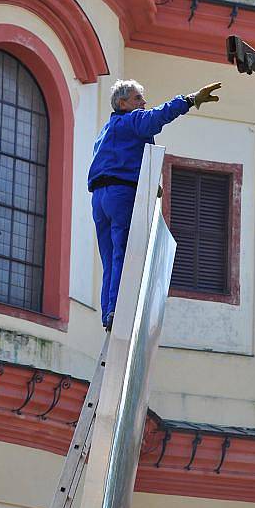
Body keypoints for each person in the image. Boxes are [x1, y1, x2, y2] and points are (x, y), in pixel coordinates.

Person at [88, 79, 222, 330]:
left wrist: (149, 179)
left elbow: (119, 158)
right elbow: (158, 116)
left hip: (100, 198)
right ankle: (117, 309)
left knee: (109, 259)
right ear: (122, 103)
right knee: (123, 255)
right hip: (120, 194)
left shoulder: (106, 131)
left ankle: (108, 312)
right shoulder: (133, 121)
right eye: (138, 98)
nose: (143, 103)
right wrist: (190, 99)